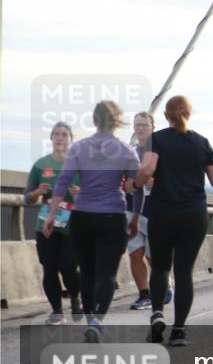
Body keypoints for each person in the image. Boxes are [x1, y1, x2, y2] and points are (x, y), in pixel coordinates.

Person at [137, 95, 213, 347]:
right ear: (189, 114)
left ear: (166, 116)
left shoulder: (156, 139)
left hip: (162, 213)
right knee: (183, 273)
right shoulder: (202, 143)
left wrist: (135, 183)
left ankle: (157, 313)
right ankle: (179, 330)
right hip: (193, 216)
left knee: (160, 267)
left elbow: (147, 170)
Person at [43, 102, 138, 342]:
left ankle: (89, 321)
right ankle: (96, 321)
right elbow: (137, 190)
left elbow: (62, 182)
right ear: (116, 121)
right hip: (112, 216)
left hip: (82, 215)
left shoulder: (79, 148)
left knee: (86, 272)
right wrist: (135, 217)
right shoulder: (126, 150)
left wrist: (52, 215)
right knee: (107, 273)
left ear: (94, 120)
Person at [25, 122, 81, 325]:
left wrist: (81, 195)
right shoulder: (41, 164)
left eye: (64, 134)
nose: (59, 138)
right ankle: (57, 311)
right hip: (45, 224)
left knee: (68, 267)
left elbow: (95, 196)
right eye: (56, 134)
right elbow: (26, 198)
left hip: (72, 225)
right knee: (49, 268)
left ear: (70, 139)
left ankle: (76, 297)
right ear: (51, 138)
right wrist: (37, 192)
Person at [126, 111, 174, 310]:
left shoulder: (163, 152)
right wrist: (128, 185)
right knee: (135, 254)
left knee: (153, 257)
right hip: (131, 210)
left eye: (144, 125)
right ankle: (144, 294)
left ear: (153, 128)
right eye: (137, 125)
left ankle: (164, 284)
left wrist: (159, 182)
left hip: (157, 211)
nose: (140, 129)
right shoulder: (129, 153)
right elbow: (123, 180)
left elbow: (174, 180)